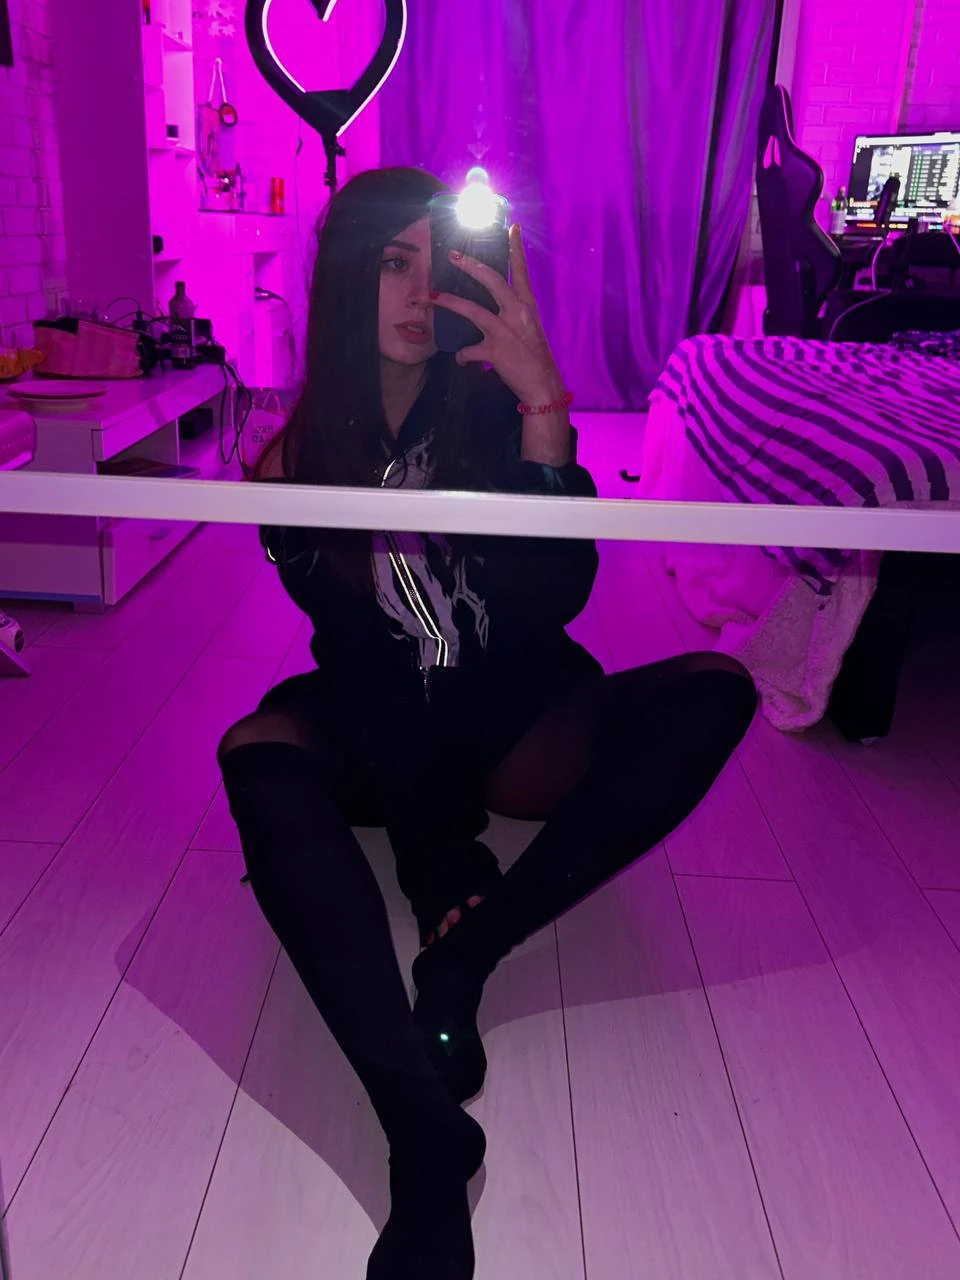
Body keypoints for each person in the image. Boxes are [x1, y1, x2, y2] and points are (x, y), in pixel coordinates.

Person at [218, 167, 758, 1280]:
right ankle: (423, 1135)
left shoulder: (491, 409)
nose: (420, 295)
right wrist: (433, 856)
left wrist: (547, 415)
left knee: (715, 688)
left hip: (512, 707)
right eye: (392, 264)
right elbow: (367, 664)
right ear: (345, 277)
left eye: (441, 265)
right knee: (256, 752)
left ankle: (475, 949)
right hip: (382, 718)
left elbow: (551, 606)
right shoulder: (287, 461)